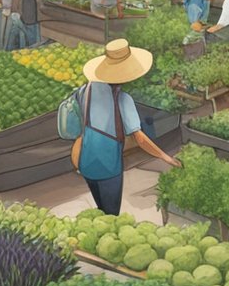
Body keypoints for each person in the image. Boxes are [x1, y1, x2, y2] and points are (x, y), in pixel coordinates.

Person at [72, 39, 181, 216]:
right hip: (108, 166)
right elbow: (140, 139)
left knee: (101, 211)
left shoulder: (85, 90)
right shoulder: (123, 100)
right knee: (111, 215)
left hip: (86, 163)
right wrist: (165, 157)